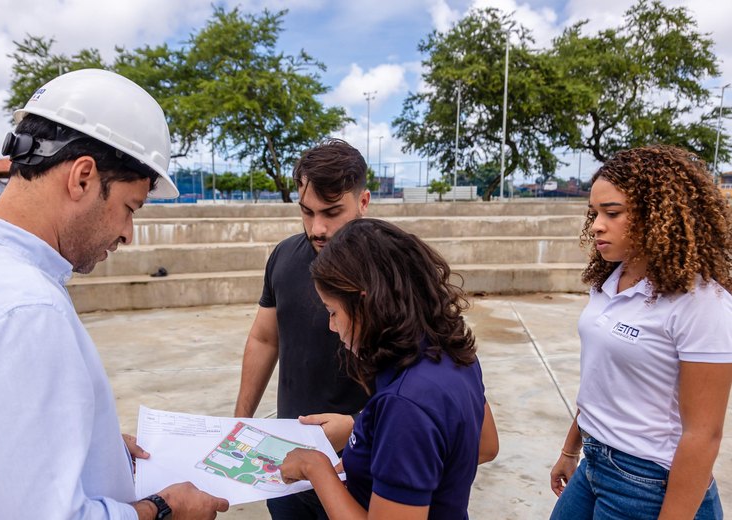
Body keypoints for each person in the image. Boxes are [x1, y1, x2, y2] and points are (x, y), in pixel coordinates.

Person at [0, 69, 229, 520]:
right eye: (129, 208)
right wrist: (164, 508)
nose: (128, 233)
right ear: (83, 177)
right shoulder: (23, 312)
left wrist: (95, 450)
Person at [549, 145, 732, 519]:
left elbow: (703, 435)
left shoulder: (700, 303)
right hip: (594, 461)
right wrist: (572, 449)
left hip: (648, 481)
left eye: (612, 213)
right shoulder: (609, 282)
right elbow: (601, 379)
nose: (597, 225)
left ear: (658, 214)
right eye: (594, 213)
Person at [279, 218, 496, 519]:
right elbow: (485, 445)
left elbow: (415, 425)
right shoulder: (451, 351)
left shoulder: (405, 404)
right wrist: (370, 436)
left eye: (333, 312)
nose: (332, 326)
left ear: (365, 304)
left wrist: (315, 468)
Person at [233, 138, 372, 519]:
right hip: (287, 460)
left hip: (361, 462)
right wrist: (239, 421)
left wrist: (359, 426)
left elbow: (423, 380)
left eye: (332, 212)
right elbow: (264, 339)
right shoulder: (283, 256)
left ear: (363, 202)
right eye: (307, 212)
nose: (318, 228)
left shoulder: (392, 269)